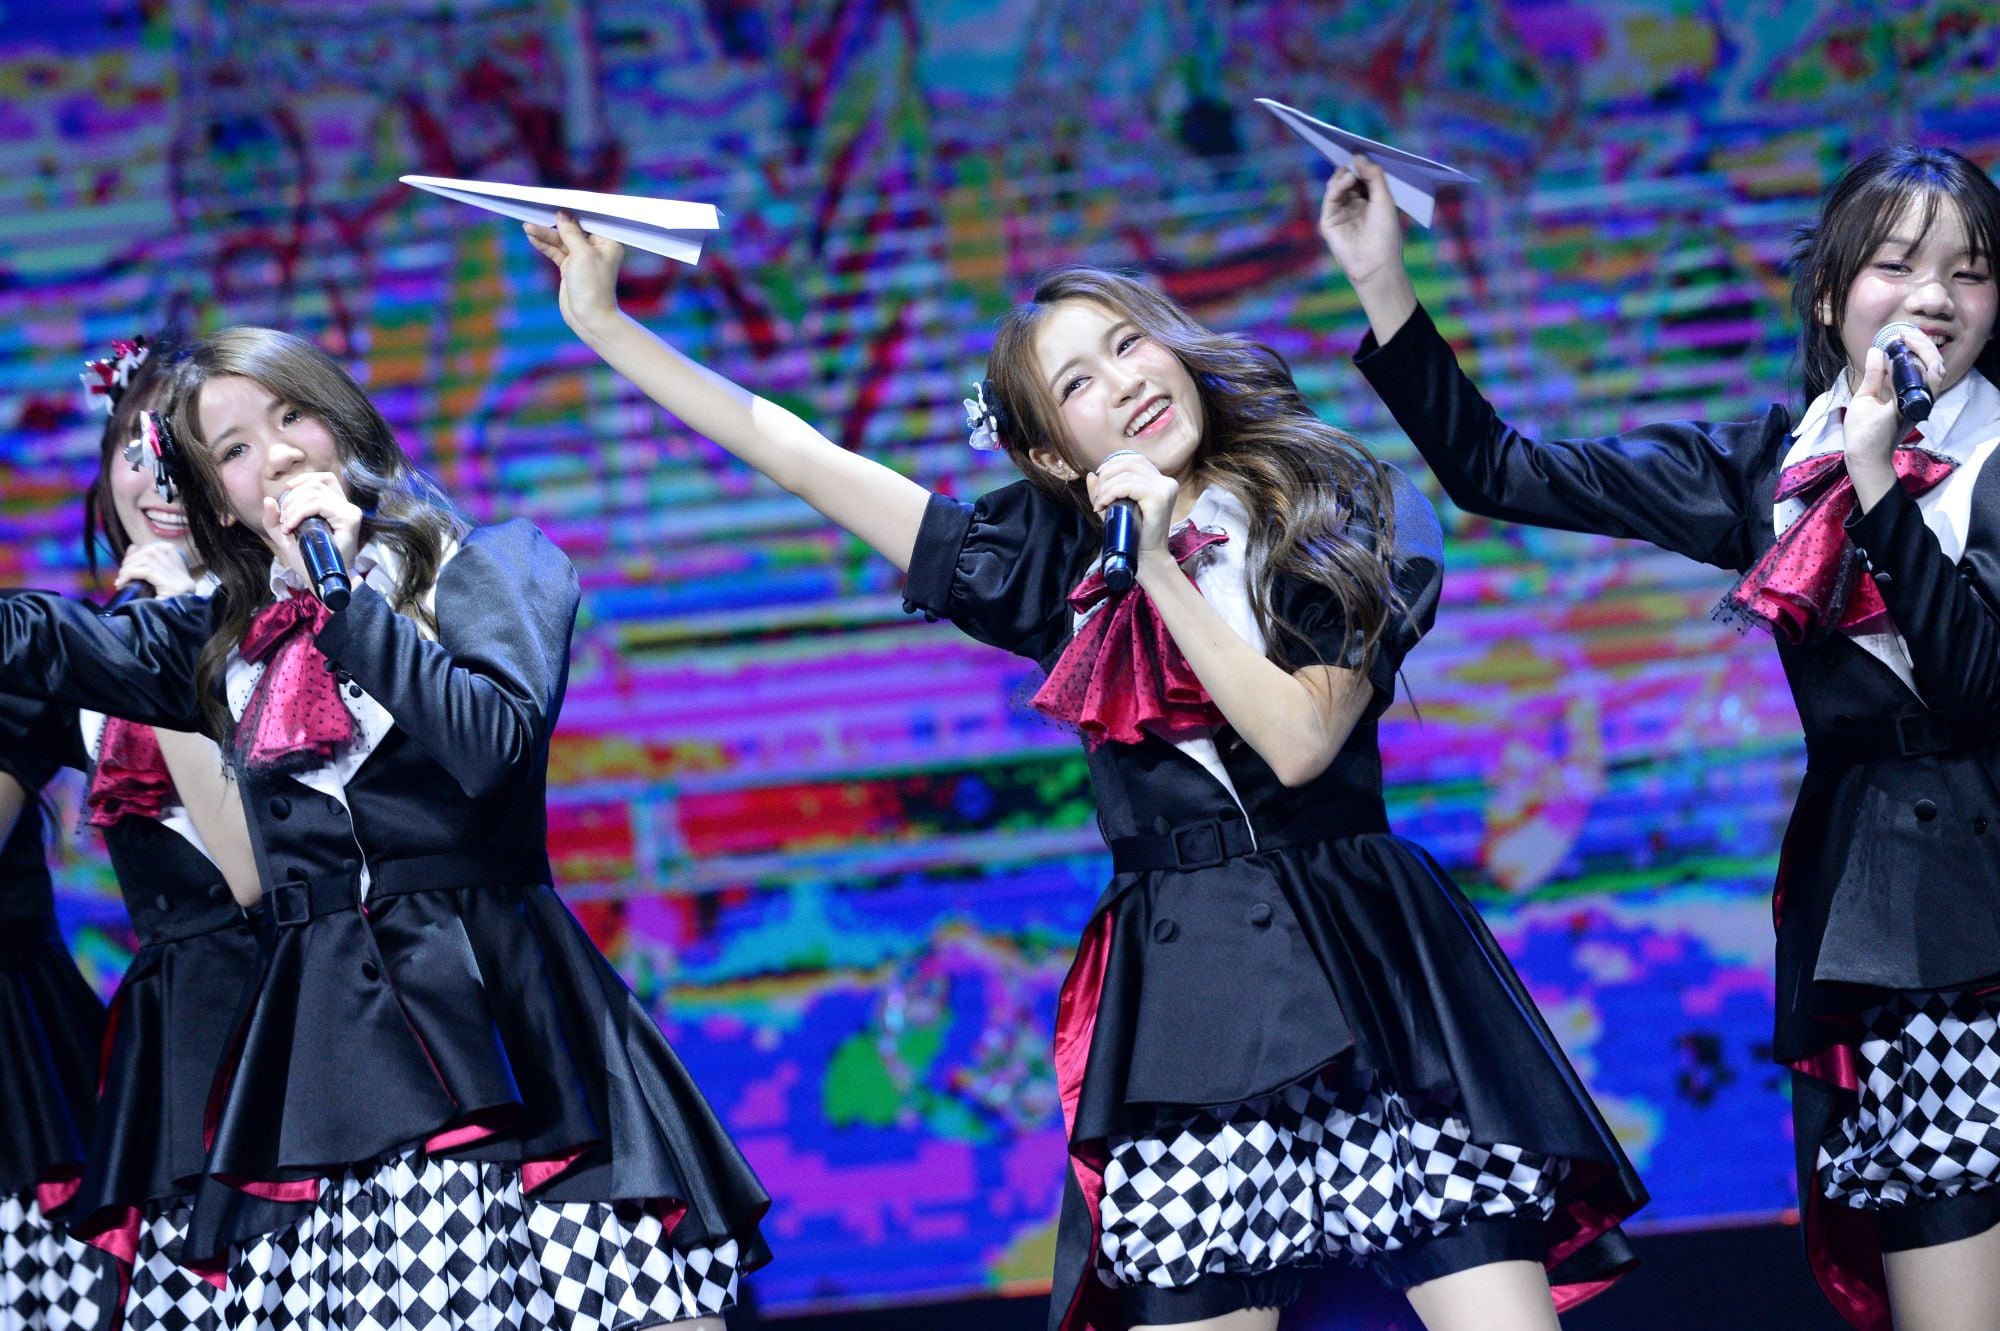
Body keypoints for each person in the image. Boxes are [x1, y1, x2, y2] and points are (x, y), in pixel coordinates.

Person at [524, 212, 1644, 1331]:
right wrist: (607, 324)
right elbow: (804, 455)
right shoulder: (1051, 560)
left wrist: (1156, 569)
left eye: (1128, 343)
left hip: (1373, 960)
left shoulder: (1336, 505)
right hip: (1192, 986)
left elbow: (1299, 743)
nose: (1125, 380)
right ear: (1057, 454)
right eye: (1078, 382)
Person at [1323, 142, 2000, 1331]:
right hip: (1899, 926)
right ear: (1828, 294)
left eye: (1971, 270)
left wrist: (1881, 488)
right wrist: (1382, 280)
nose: (1935, 295)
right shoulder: (1773, 470)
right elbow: (1498, 469)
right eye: (1897, 264)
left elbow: (1972, 681)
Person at [0, 326, 771, 1330]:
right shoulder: (222, 641)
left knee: (637, 1306)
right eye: (233, 448)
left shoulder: (491, 563)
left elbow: (492, 743)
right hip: (340, 1063)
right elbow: (43, 640)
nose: (277, 453)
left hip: (512, 1019)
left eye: (291, 415)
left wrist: (346, 598)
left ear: (346, 422)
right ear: (216, 499)